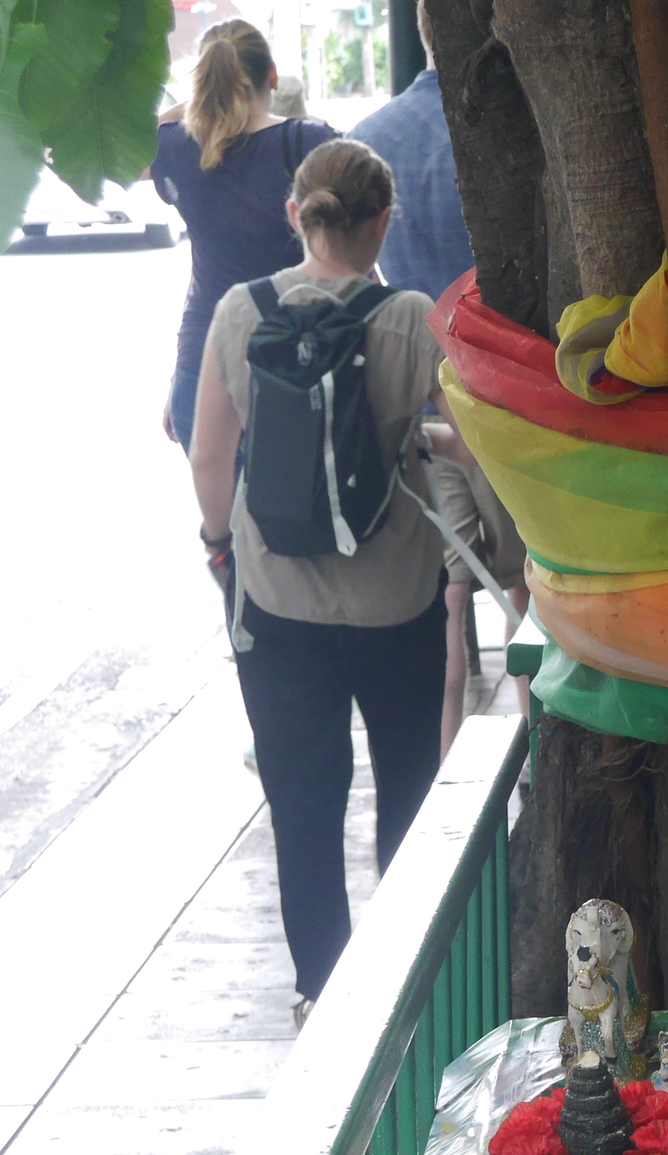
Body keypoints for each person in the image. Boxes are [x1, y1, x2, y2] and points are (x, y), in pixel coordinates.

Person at [188, 139, 459, 1025]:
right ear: (381, 222)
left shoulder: (239, 311)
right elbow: (475, 438)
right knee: (408, 785)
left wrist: (220, 544)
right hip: (397, 602)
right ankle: (409, 978)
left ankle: (323, 991)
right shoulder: (410, 315)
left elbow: (209, 452)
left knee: (304, 801)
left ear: (295, 214)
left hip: (278, 601)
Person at [351, 3, 529, 753]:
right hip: (508, 390)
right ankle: (536, 742)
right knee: (522, 581)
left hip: (434, 393)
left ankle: (448, 752)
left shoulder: (374, 137)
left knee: (453, 594)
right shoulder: (503, 121)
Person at [149, 22, 337, 453]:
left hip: (200, 368)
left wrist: (181, 378)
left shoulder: (176, 147)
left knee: (226, 518)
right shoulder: (309, 142)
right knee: (290, 515)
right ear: (271, 76)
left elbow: (126, 157)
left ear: (202, 82)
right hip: (292, 365)